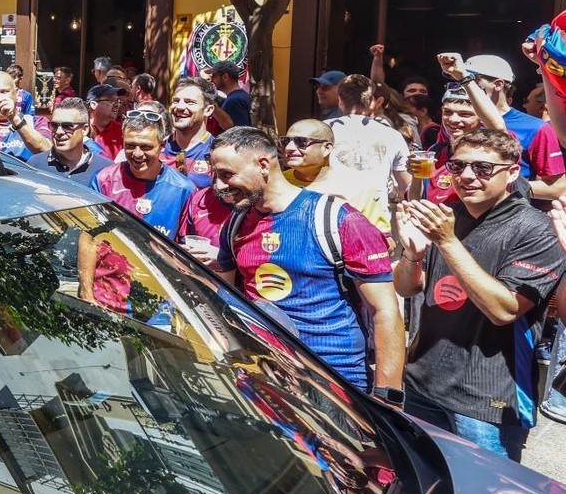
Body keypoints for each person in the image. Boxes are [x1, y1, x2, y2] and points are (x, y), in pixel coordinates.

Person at [395, 129, 566, 461]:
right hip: (422, 383)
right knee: (422, 489)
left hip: (487, 400)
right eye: (458, 166)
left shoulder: (535, 229)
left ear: (512, 172)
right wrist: (413, 254)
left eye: (484, 168)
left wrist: (447, 242)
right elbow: (407, 287)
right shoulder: (449, 217)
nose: (468, 176)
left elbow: (504, 310)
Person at [209, 126, 405, 396]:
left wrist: (389, 396)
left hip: (335, 382)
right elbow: (225, 302)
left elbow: (385, 311)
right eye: (215, 175)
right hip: (264, 377)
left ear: (263, 164)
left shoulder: (337, 219)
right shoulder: (236, 224)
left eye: (226, 175)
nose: (218, 186)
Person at [88, 108, 194, 236]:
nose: (137, 154)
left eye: (146, 147)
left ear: (163, 144)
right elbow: (89, 234)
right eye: (130, 146)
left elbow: (186, 243)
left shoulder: (183, 189)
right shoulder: (103, 180)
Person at [327, 74, 410, 233]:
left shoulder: (323, 131)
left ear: (340, 101)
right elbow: (407, 185)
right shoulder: (392, 136)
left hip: (329, 221)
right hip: (374, 224)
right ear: (372, 102)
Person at [464, 53, 545, 154]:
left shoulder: (536, 127)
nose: (465, 86)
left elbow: (552, 170)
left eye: (472, 81)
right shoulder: (457, 121)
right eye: (461, 81)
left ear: (498, 84)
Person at [27, 97, 107, 186]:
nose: (59, 132)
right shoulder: (35, 165)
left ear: (84, 129)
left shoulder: (104, 169)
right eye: (54, 125)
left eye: (67, 126)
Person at [163, 77, 216, 188]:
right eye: (176, 101)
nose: (180, 107)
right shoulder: (158, 149)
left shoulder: (217, 152)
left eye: (190, 102)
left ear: (208, 110)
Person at [84, 83, 126, 159]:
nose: (117, 105)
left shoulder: (122, 132)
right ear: (93, 104)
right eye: (111, 100)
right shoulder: (80, 130)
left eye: (117, 100)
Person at [206, 61, 251, 128]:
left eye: (214, 76)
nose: (211, 80)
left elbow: (240, 133)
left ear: (225, 77)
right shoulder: (239, 97)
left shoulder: (234, 101)